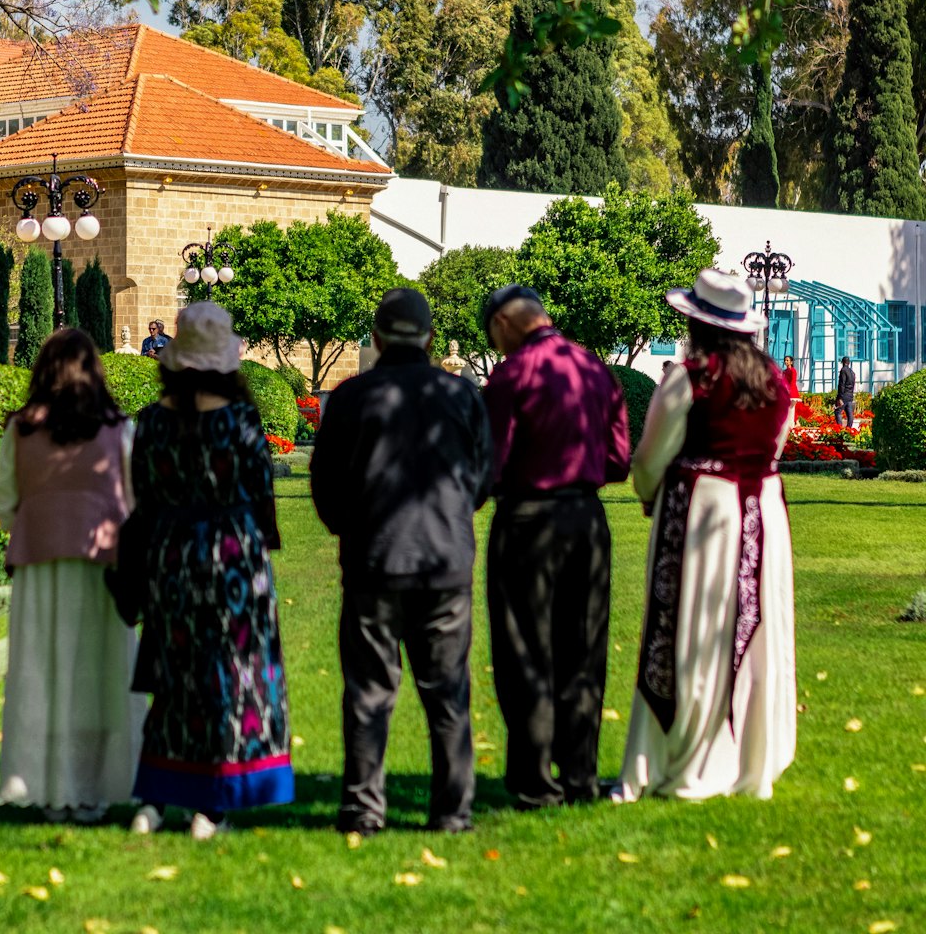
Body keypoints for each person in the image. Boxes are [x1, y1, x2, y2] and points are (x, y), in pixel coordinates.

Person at [311, 288, 493, 835]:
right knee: (447, 692)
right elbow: (483, 478)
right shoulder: (462, 395)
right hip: (443, 559)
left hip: (374, 558)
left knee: (369, 690)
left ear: (376, 338)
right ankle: (451, 811)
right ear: (432, 338)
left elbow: (325, 483)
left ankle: (363, 808)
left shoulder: (351, 397)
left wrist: (351, 527)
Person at [616, 268, 795, 803]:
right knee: (753, 630)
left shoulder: (692, 375)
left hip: (701, 506)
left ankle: (680, 758)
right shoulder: (773, 380)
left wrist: (650, 491)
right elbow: (775, 447)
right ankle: (744, 759)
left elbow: (650, 457)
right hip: (763, 508)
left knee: (688, 630)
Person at [129, 302, 293, 839]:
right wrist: (264, 542)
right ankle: (212, 806)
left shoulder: (151, 422)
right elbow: (260, 498)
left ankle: (153, 801)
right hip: (232, 557)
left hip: (170, 555)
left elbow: (141, 499)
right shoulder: (241, 421)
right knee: (231, 675)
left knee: (174, 678)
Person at [481, 284, 630, 810]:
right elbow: (618, 459)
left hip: (527, 519)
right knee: (583, 648)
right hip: (586, 520)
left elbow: (489, 461)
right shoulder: (594, 369)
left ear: (503, 325)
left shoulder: (512, 374)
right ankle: (581, 777)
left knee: (526, 650)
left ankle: (533, 780)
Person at [0, 327, 145, 822]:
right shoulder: (119, 428)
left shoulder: (21, 428)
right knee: (100, 677)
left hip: (40, 564)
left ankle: (40, 783)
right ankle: (93, 786)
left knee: (42, 673)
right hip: (103, 561)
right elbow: (134, 498)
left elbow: (7, 501)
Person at [835, 354, 856, 429]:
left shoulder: (843, 370)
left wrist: (839, 397)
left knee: (838, 411)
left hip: (844, 395)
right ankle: (849, 429)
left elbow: (842, 384)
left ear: (843, 362)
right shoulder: (852, 372)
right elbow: (853, 385)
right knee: (850, 414)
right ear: (849, 363)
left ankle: (839, 429)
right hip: (850, 395)